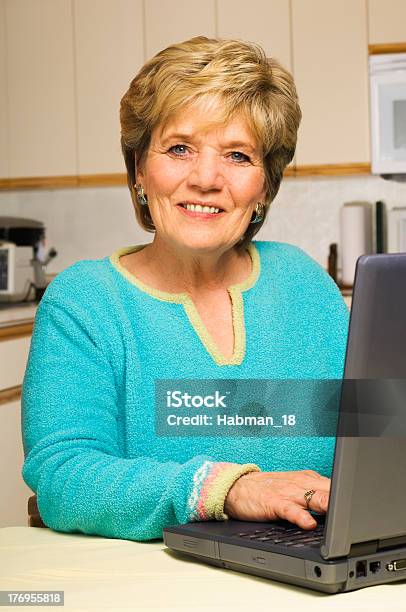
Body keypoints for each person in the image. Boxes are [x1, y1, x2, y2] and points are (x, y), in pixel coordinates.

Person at [22, 36, 349, 541]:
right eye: (179, 149)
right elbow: (63, 475)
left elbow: (380, 435)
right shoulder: (85, 302)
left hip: (313, 575)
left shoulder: (305, 284)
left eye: (238, 156)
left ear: (265, 186)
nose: (206, 178)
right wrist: (229, 489)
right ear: (139, 171)